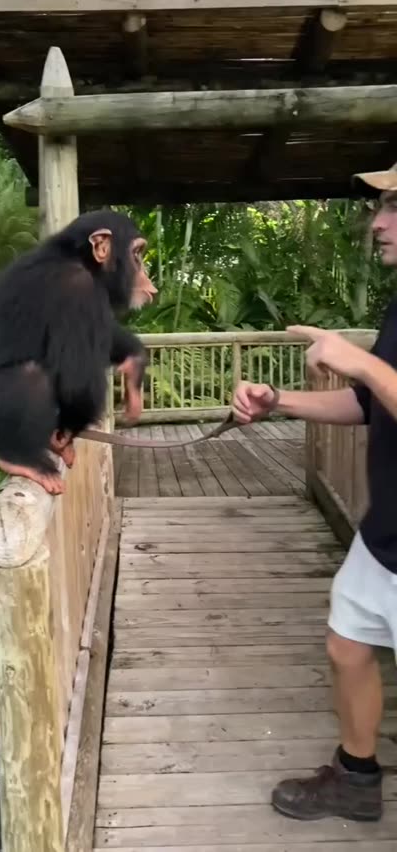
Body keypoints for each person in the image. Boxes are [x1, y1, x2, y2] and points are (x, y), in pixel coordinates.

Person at [232, 163, 397, 823]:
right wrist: (278, 401)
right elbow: (370, 404)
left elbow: (374, 380)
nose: (378, 223)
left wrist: (359, 360)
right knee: (347, 643)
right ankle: (356, 780)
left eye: (394, 207)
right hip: (385, 536)